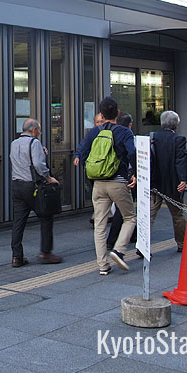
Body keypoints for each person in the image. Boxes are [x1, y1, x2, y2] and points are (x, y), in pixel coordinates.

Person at [76, 97, 136, 275]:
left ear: (101, 114)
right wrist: (133, 174)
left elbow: (83, 150)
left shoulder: (94, 132)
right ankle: (118, 250)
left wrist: (78, 158)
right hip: (118, 182)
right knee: (130, 217)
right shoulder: (124, 132)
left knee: (99, 225)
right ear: (118, 113)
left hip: (98, 184)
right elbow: (132, 152)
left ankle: (102, 266)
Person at [9, 118, 63, 267]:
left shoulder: (14, 143)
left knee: (18, 221)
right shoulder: (35, 143)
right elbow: (38, 164)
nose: (39, 132)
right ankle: (45, 253)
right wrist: (48, 177)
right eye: (39, 130)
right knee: (46, 216)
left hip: (17, 185)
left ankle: (16, 256)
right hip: (31, 187)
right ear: (34, 130)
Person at [149, 111, 187, 252]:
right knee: (177, 215)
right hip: (173, 184)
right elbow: (180, 161)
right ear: (176, 125)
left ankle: (143, 245)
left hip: (155, 183)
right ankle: (181, 244)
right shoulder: (179, 139)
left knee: (150, 215)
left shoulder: (152, 137)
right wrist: (183, 179)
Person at [106, 112, 136, 250]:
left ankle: (133, 234)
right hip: (124, 177)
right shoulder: (128, 136)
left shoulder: (109, 134)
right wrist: (134, 172)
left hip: (108, 176)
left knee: (125, 208)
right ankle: (114, 243)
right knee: (125, 210)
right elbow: (132, 153)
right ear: (129, 125)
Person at [74, 113, 104, 226]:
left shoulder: (112, 131)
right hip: (95, 169)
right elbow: (84, 145)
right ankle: (101, 214)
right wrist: (78, 156)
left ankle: (100, 215)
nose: (99, 125)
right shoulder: (93, 132)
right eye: (97, 122)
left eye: (102, 122)